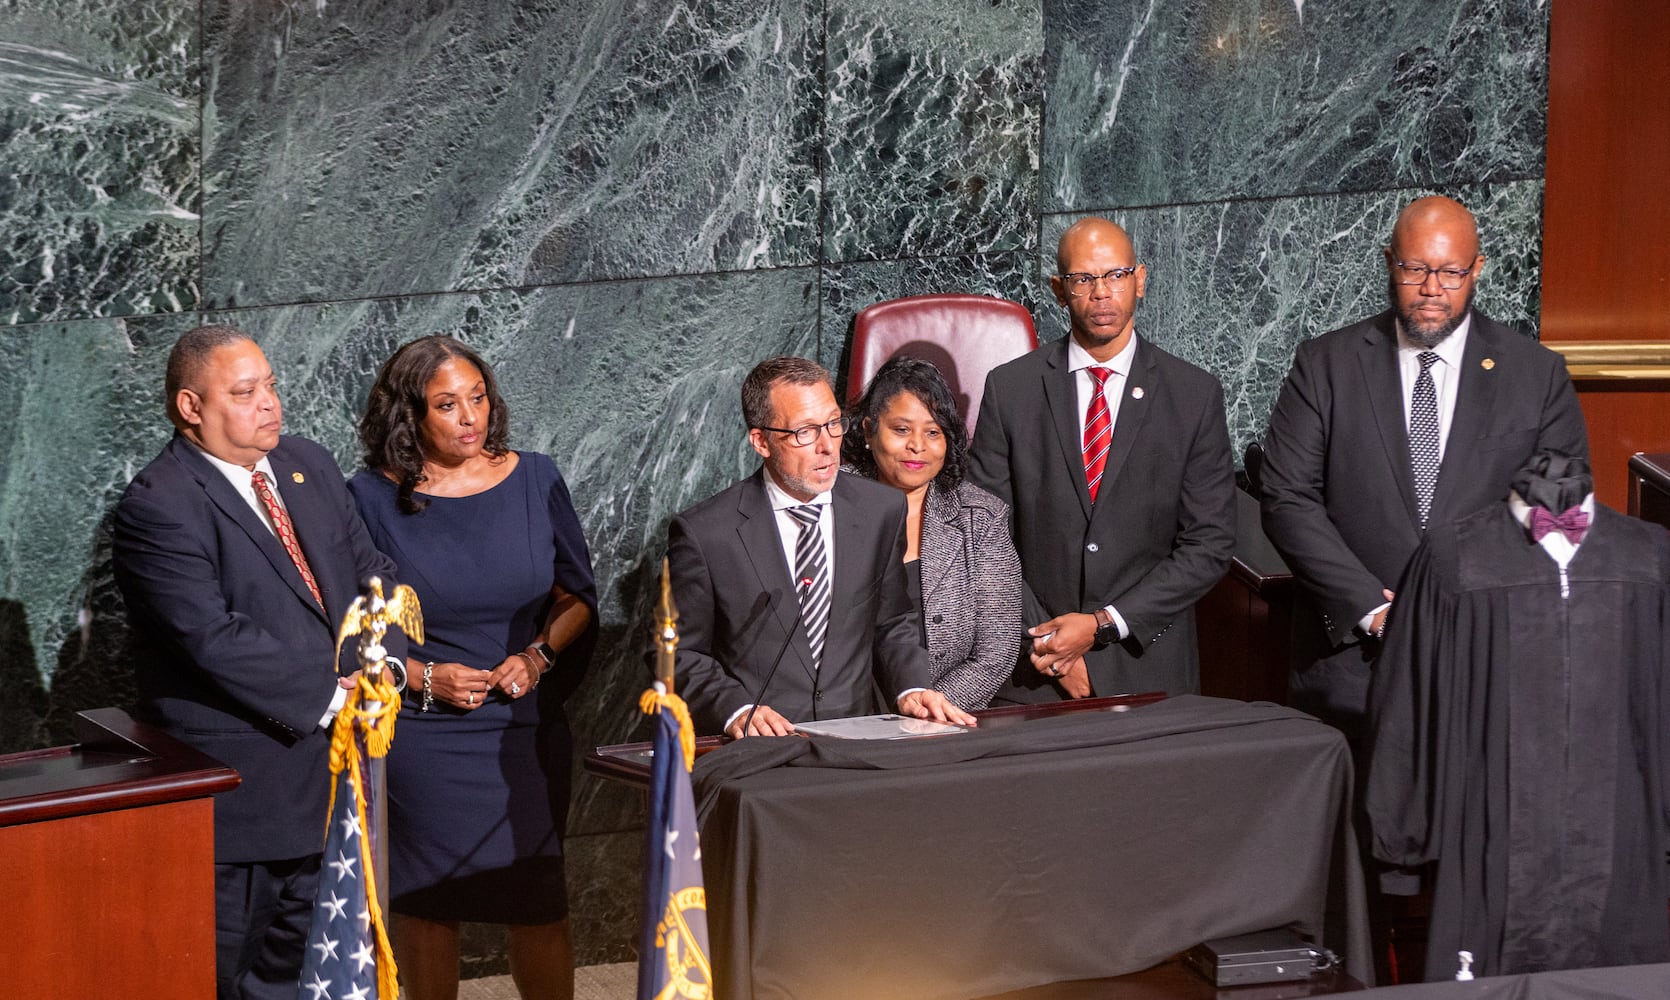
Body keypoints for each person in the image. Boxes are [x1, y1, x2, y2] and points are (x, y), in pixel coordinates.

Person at [112, 325, 402, 999]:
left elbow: (374, 577)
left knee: (313, 980)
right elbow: (212, 637)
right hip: (245, 803)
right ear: (192, 407)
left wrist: (381, 663)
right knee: (231, 982)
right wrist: (338, 696)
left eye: (269, 385)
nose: (270, 403)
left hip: (338, 792)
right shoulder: (160, 503)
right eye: (245, 393)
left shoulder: (309, 465)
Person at [1259, 195, 1589, 735]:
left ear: (1477, 268)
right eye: (1416, 269)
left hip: (1485, 667)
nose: (1433, 289)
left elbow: (1561, 517)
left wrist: (1475, 611)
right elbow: (1286, 496)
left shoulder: (1536, 375)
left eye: (1451, 272)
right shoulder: (1326, 364)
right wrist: (1372, 608)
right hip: (1352, 669)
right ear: (1390, 260)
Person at [348, 335, 597, 1000]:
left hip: (523, 729)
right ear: (410, 416)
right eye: (448, 404)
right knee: (429, 908)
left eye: (478, 398)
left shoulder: (536, 478)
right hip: (425, 740)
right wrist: (427, 677)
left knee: (540, 901)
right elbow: (353, 630)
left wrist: (538, 655)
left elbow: (577, 598)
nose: (470, 417)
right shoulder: (369, 500)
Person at [1364, 453, 1670, 980]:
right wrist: (1400, 846)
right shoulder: (1453, 558)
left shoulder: (1648, 556)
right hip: (1487, 836)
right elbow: (1404, 708)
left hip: (1624, 837)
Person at [968, 217, 1237, 701]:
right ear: (1058, 289)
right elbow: (984, 535)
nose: (1101, 293)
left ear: (1140, 280)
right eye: (1083, 279)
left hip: (1146, 665)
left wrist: (1101, 626)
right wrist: (1049, 645)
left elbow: (1209, 543)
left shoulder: (1192, 395)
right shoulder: (1012, 389)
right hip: (1032, 670)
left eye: (1115, 275)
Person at [668, 355, 977, 737]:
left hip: (857, 742)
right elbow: (678, 653)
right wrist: (736, 709)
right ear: (761, 441)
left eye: (833, 424)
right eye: (804, 432)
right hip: (761, 751)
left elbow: (892, 621)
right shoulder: (707, 533)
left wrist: (911, 686)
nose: (828, 446)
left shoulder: (880, 509)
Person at [842, 355, 1023, 709]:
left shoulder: (981, 518)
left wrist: (930, 708)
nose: (917, 446)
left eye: (933, 432)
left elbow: (997, 650)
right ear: (868, 430)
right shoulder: (830, 502)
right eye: (901, 430)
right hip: (840, 713)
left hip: (942, 714)